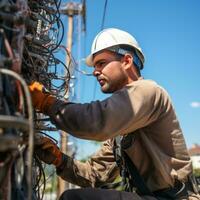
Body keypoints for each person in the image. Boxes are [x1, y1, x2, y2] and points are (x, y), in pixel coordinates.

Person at [29, 28, 200, 200]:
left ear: (126, 61)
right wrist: (58, 159)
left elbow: (96, 122)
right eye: (95, 66)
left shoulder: (149, 92)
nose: (95, 71)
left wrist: (46, 103)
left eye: (101, 63)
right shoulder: (120, 129)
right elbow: (95, 175)